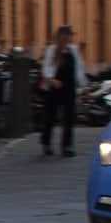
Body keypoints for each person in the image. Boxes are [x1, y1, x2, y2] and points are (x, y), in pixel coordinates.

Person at [39, 25, 86, 157]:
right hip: (54, 88)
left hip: (69, 88)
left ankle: (67, 146)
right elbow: (46, 66)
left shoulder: (74, 51)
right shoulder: (51, 50)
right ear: (59, 36)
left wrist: (83, 85)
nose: (67, 38)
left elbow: (79, 68)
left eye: (69, 35)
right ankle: (46, 143)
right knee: (50, 117)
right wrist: (51, 79)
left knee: (69, 118)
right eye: (65, 35)